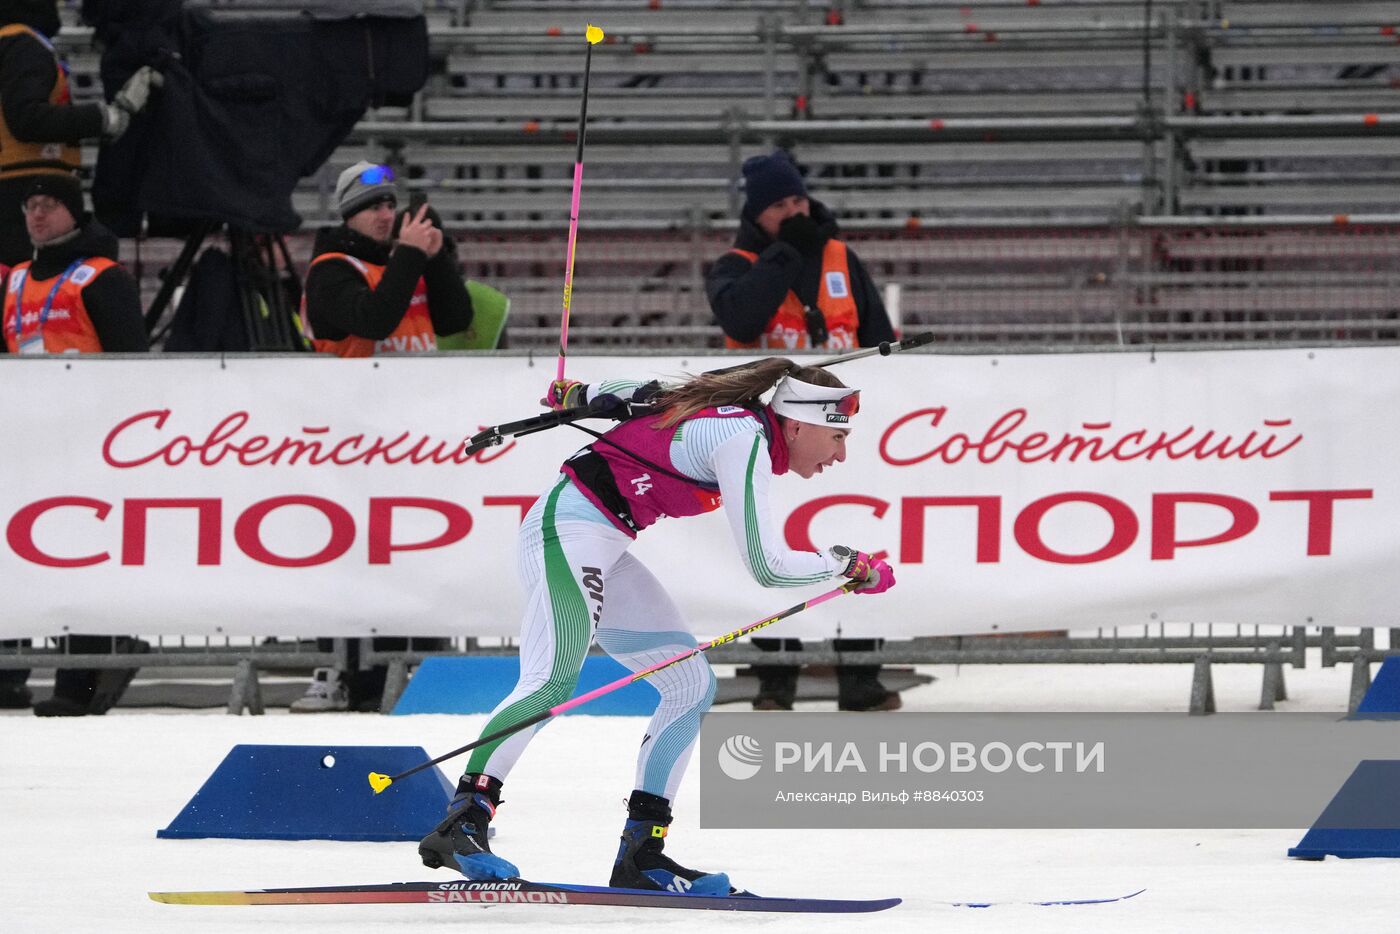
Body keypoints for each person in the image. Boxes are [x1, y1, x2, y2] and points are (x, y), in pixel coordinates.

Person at [416, 359, 896, 894]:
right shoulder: (744, 439)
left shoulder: (732, 419)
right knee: (550, 681)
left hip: (605, 544)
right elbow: (768, 565)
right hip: (566, 536)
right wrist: (849, 564)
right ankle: (464, 820)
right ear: (800, 424)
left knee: (690, 687)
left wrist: (579, 391)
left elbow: (637, 391)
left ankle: (642, 854)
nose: (841, 454)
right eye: (837, 436)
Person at [705, 149, 901, 712]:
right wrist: (789, 254)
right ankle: (775, 678)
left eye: (799, 200)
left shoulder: (842, 255)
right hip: (769, 435)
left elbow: (879, 336)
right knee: (775, 542)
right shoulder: (737, 263)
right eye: (779, 205)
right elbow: (740, 318)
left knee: (855, 529)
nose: (794, 211)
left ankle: (861, 675)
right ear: (755, 213)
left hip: (835, 430)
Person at [293, 161, 474, 711]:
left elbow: (455, 318)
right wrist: (411, 257)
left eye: (390, 205)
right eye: (373, 206)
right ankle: (342, 669)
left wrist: (436, 258)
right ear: (349, 213)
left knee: (412, 553)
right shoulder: (331, 268)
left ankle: (406, 662)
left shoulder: (409, 260)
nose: (385, 214)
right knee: (349, 555)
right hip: (350, 436)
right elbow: (372, 318)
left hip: (416, 435)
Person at [1, 171, 149, 715]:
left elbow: (130, 363)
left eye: (49, 205)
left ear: (73, 212)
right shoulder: (14, 278)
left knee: (82, 562)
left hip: (92, 444)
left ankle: (80, 682)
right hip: (28, 443)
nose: (38, 215)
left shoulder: (101, 276)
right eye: (30, 206)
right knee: (23, 561)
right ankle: (12, 673)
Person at [0, 1, 161, 265]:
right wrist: (104, 118)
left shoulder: (9, 43)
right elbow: (26, 118)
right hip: (23, 191)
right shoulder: (22, 44)